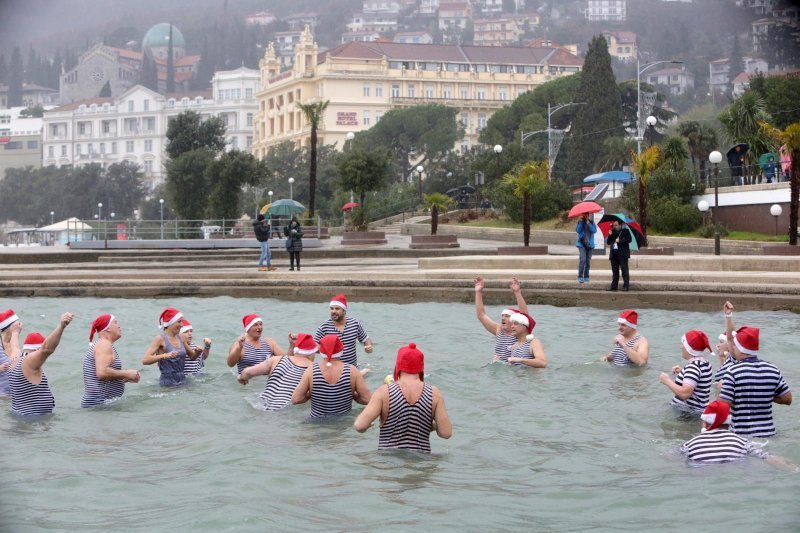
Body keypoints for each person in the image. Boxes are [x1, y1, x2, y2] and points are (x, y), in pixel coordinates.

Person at [354, 342, 452, 452]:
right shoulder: (434, 393)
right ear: (421, 367)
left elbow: (360, 426)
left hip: (389, 463)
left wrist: (367, 425)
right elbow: (446, 433)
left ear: (399, 365)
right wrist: (431, 425)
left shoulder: (384, 392)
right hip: (421, 464)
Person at [717, 301, 792, 437]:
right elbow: (787, 399)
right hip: (769, 435)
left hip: (742, 438)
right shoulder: (773, 369)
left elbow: (723, 407)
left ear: (739, 348)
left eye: (734, 345)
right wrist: (764, 393)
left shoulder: (732, 372)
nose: (731, 347)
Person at [291, 334, 371, 418]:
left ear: (321, 351)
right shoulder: (352, 371)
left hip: (315, 424)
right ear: (341, 350)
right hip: (343, 425)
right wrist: (352, 395)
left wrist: (311, 393)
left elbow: (296, 399)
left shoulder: (312, 370)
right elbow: (367, 399)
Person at [9, 313, 73, 416]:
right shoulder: (29, 362)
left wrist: (15, 332)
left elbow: (14, 346)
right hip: (32, 421)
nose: (42, 359)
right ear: (36, 350)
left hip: (21, 416)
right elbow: (47, 349)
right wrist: (61, 326)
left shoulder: (14, 359)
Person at [238, 332, 316, 411]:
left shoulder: (277, 360)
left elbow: (246, 372)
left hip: (261, 404)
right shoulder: (313, 370)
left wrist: (241, 378)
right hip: (282, 410)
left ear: (296, 350)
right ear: (312, 352)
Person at [680, 401, 771, 465]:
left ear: (706, 422)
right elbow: (768, 458)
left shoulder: (690, 444)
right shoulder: (742, 442)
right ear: (729, 423)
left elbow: (672, 458)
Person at [82, 314, 141, 408]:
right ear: (108, 328)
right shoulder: (104, 344)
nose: (119, 326)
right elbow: (102, 372)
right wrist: (126, 374)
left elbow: (101, 378)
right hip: (99, 403)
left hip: (102, 402)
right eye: (115, 322)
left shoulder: (105, 344)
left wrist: (127, 377)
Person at [473, 276, 529, 362]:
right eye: (502, 316)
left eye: (507, 316)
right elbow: (481, 315)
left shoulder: (518, 333)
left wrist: (517, 292)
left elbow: (524, 316)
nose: (503, 318)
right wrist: (478, 292)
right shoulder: (498, 329)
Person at [659, 330, 713, 414]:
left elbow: (685, 394)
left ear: (689, 349)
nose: (681, 347)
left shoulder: (693, 368)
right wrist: (683, 372)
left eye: (683, 344)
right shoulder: (705, 363)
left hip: (688, 414)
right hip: (697, 410)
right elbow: (699, 379)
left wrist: (667, 381)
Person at [313, 293, 373, 369]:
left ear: (344, 310)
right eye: (331, 308)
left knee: (369, 371)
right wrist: (323, 349)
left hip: (352, 368)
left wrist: (368, 346)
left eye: (337, 309)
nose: (333, 311)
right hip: (332, 368)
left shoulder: (355, 323)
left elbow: (365, 339)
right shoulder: (324, 327)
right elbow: (314, 345)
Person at [141, 308, 197, 386]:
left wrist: (200, 350)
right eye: (179, 321)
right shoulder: (160, 339)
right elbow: (145, 360)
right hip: (167, 383)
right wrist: (165, 356)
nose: (182, 325)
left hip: (183, 380)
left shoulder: (181, 337)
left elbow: (192, 357)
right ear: (171, 323)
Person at [0, 309, 23, 397]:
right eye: (17, 324)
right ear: (7, 328)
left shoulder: (16, 345)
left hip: (17, 395)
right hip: (1, 396)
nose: (20, 326)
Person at [606, 220, 631, 291]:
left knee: (624, 270)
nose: (615, 226)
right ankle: (614, 286)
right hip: (614, 254)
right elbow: (608, 242)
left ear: (620, 225)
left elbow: (629, 239)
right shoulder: (612, 231)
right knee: (615, 271)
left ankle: (626, 286)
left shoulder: (625, 231)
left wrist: (620, 240)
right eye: (614, 225)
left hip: (622, 254)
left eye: (616, 225)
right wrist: (610, 235)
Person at [575, 213, 597, 284]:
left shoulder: (592, 222)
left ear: (588, 215)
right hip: (582, 244)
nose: (585, 216)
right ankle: (580, 276)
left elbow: (594, 231)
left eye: (587, 215)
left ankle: (586, 276)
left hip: (590, 245)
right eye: (584, 215)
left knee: (588, 262)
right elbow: (578, 231)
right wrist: (581, 222)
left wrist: (588, 224)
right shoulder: (580, 222)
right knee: (582, 260)